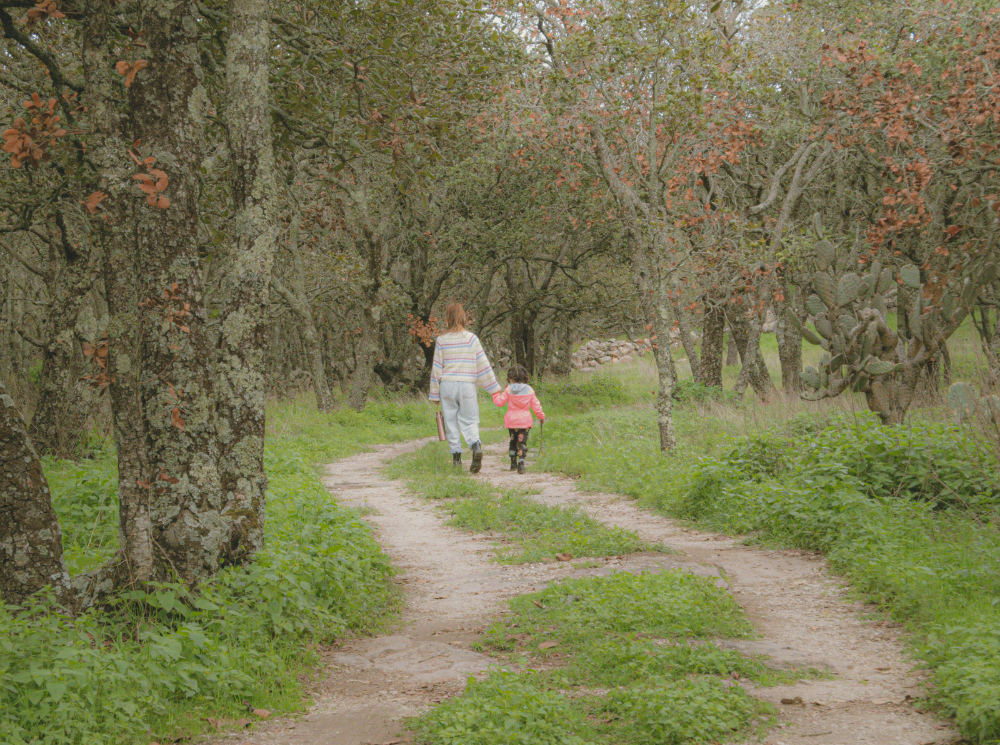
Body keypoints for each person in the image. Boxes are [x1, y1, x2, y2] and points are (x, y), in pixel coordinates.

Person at [428, 303, 501, 473]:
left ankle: (456, 459)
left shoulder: (441, 340)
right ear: (463, 318)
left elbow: (436, 369)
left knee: (451, 421)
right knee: (470, 419)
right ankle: (475, 446)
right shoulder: (471, 339)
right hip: (467, 384)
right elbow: (483, 365)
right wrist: (493, 388)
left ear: (447, 319)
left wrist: (435, 395)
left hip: (447, 385)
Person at [491, 364, 546, 475]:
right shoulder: (529, 390)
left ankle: (512, 463)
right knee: (522, 442)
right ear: (524, 376)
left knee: (513, 441)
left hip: (511, 421)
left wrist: (495, 393)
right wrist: (541, 416)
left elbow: (499, 402)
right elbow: (536, 405)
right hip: (524, 421)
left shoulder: (508, 389)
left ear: (510, 378)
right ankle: (521, 463)